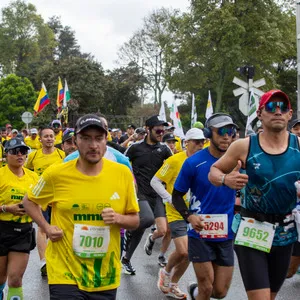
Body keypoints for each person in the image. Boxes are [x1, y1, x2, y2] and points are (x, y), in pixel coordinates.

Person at [23, 114, 139, 300]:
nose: (93, 145)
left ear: (106, 140)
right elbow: (28, 201)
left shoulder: (122, 173)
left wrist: (118, 218)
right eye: (85, 138)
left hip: (104, 275)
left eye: (98, 138)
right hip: (64, 271)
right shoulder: (56, 174)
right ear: (75, 141)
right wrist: (46, 227)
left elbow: (135, 220)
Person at [208, 90, 299, 300]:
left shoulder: (299, 147)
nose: (277, 111)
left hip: (285, 231)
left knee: (270, 296)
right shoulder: (244, 146)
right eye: (270, 107)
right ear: (260, 113)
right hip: (251, 226)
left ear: (289, 114)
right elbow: (214, 171)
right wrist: (226, 180)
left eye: (282, 107)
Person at [172, 113, 237, 300]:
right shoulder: (193, 162)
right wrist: (189, 216)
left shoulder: (237, 161)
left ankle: (194, 292)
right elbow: (177, 195)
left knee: (220, 292)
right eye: (222, 131)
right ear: (209, 134)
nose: (227, 136)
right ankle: (201, 291)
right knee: (207, 288)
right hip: (199, 232)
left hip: (226, 233)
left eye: (230, 131)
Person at [152, 128, 205, 299]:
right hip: (176, 212)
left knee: (190, 253)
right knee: (183, 251)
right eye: (196, 142)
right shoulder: (175, 160)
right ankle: (165, 272)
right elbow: (155, 181)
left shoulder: (205, 161)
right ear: (186, 143)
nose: (200, 145)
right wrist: (168, 197)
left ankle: (173, 284)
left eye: (202, 142)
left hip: (196, 213)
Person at [122, 115, 173, 275]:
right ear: (147, 129)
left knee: (163, 230)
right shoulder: (135, 147)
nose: (161, 133)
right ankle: (129, 241)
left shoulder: (164, 149)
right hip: (140, 192)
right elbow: (122, 164)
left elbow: (174, 167)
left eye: (163, 130)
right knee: (147, 219)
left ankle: (133, 253)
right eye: (158, 129)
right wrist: (130, 182)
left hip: (156, 194)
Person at [0, 138, 38, 300]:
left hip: (23, 231)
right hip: (1, 228)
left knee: (15, 279)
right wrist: (6, 208)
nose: (20, 155)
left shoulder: (34, 177)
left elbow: (44, 202)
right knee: (0, 278)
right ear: (6, 155)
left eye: (23, 151)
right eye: (15, 152)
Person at [25, 126, 65, 277]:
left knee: (59, 229)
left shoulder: (62, 155)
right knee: (42, 228)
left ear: (55, 139)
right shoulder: (34, 156)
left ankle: (59, 260)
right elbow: (27, 172)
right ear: (40, 139)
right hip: (41, 199)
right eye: (46, 136)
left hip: (58, 198)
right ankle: (44, 262)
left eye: (51, 136)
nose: (49, 139)